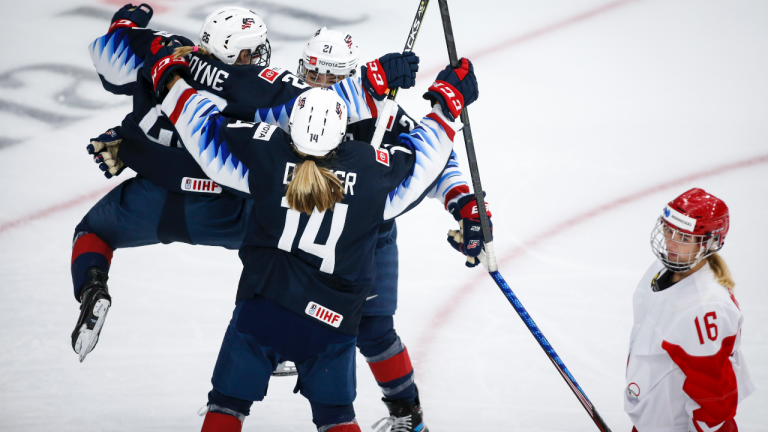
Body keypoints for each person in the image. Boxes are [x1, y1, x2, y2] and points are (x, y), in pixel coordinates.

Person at [145, 34, 479, 432]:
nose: (318, 81)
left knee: (372, 329)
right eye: (312, 71)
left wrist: (171, 87)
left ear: (348, 74)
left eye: (330, 75)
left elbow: (214, 132)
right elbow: (425, 159)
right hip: (345, 260)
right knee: (336, 403)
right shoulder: (356, 155)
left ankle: (407, 413)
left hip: (321, 256)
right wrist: (445, 110)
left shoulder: (287, 141)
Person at [625, 188, 755, 432]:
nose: (671, 242)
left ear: (709, 243)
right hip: (655, 416)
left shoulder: (706, 307)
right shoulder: (664, 269)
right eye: (668, 230)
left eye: (684, 238)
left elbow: (714, 398)